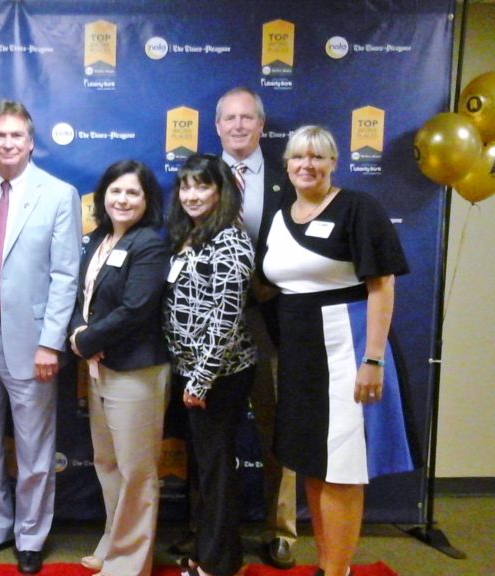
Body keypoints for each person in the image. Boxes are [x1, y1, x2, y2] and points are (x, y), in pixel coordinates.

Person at [262, 126, 414, 576]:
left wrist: (373, 359)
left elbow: (382, 284)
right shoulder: (279, 215)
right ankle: (330, 567)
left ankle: (337, 570)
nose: (306, 165)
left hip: (346, 349)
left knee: (343, 468)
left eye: (318, 157)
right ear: (286, 165)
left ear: (334, 163)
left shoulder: (358, 208)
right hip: (299, 356)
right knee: (312, 461)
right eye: (298, 157)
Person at [0, 100, 82, 575]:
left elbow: (66, 274)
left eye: (17, 136)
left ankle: (31, 536)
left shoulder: (58, 194)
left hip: (32, 345)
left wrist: (51, 343)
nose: (8, 144)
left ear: (30, 142)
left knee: (34, 447)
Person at [206, 86, 297, 569]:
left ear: (262, 126)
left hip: (271, 323)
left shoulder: (289, 177)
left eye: (248, 118)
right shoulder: (199, 176)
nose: (238, 126)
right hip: (208, 332)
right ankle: (209, 531)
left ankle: (280, 530)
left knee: (276, 427)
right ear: (217, 126)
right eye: (229, 118)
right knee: (209, 432)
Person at [68, 160, 172, 576]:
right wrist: (78, 331)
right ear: (103, 196)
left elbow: (137, 308)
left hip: (136, 372)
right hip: (99, 369)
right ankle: (114, 541)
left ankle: (130, 563)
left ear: (147, 201)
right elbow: (84, 298)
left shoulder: (150, 244)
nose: (122, 199)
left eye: (133, 193)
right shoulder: (98, 239)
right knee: (107, 463)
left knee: (137, 471)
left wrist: (85, 340)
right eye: (116, 191)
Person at [163, 154, 258, 576]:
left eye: (201, 186)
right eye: (185, 186)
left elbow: (226, 316)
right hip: (189, 370)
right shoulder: (192, 234)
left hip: (219, 375)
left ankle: (219, 564)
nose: (191, 195)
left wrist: (201, 379)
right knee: (203, 465)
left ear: (221, 191)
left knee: (216, 467)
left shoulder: (230, 240)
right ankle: (207, 547)